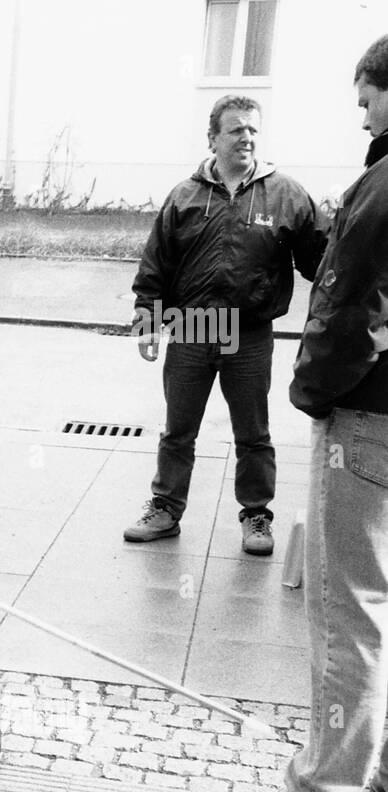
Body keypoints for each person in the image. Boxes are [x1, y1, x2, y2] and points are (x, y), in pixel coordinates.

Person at [214, 35, 388, 792]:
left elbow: (344, 305)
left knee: (347, 611)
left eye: (367, 99)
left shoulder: (382, 186)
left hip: (368, 422)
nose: (363, 115)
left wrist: (314, 394)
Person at [124, 95, 326, 555]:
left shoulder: (286, 194)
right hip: (193, 324)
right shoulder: (185, 195)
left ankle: (257, 515)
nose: (247, 137)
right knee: (178, 429)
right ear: (212, 138)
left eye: (253, 129)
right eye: (236, 130)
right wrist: (149, 317)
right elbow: (157, 262)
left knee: (253, 432)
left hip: (249, 331)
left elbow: (324, 261)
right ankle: (165, 508)